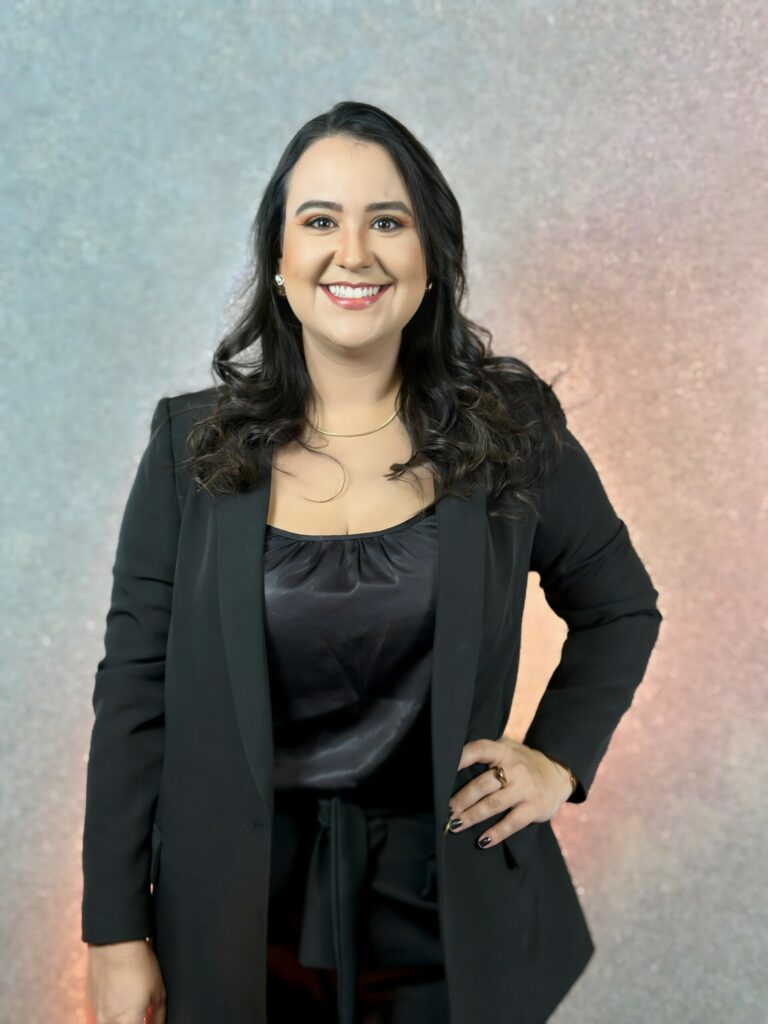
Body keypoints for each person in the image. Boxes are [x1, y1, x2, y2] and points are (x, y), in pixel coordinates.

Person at [82, 101, 663, 1024]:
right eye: (320, 221)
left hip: (447, 914)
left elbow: (620, 606)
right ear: (279, 259)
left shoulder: (511, 432)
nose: (352, 253)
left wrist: (557, 758)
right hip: (236, 921)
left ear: (431, 259)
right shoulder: (188, 449)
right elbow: (133, 692)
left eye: (387, 222)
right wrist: (115, 933)